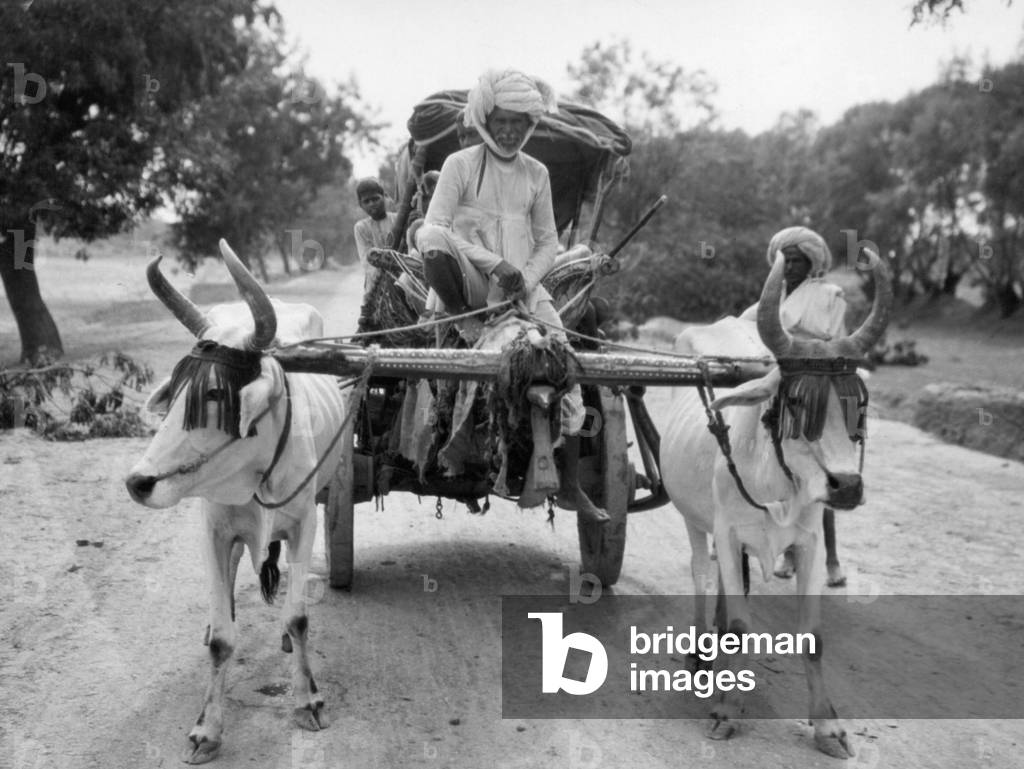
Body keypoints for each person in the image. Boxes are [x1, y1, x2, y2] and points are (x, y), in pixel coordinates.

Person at [414, 68, 608, 524]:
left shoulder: (536, 173)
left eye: (518, 123)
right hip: (471, 286)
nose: (508, 131)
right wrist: (492, 264)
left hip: (525, 289)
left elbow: (548, 243)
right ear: (485, 119)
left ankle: (571, 482)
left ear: (530, 126)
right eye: (500, 121)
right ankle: (467, 323)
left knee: (565, 362)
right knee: (431, 241)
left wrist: (524, 276)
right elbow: (435, 228)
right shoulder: (461, 165)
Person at [740, 226, 847, 585]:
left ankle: (830, 560)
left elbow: (835, 343)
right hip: (777, 383)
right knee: (771, 463)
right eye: (784, 261)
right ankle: (774, 546)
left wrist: (797, 350)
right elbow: (746, 328)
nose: (789, 268)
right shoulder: (772, 299)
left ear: (812, 262)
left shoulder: (830, 295)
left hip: (814, 386)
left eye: (797, 261)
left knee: (817, 469)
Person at [352, 177, 397, 293]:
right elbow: (366, 259)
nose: (372, 204)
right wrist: (382, 278)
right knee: (368, 305)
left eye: (375, 199)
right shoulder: (361, 227)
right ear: (361, 205)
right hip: (376, 279)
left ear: (384, 197)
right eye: (366, 201)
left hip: (401, 273)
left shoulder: (397, 220)